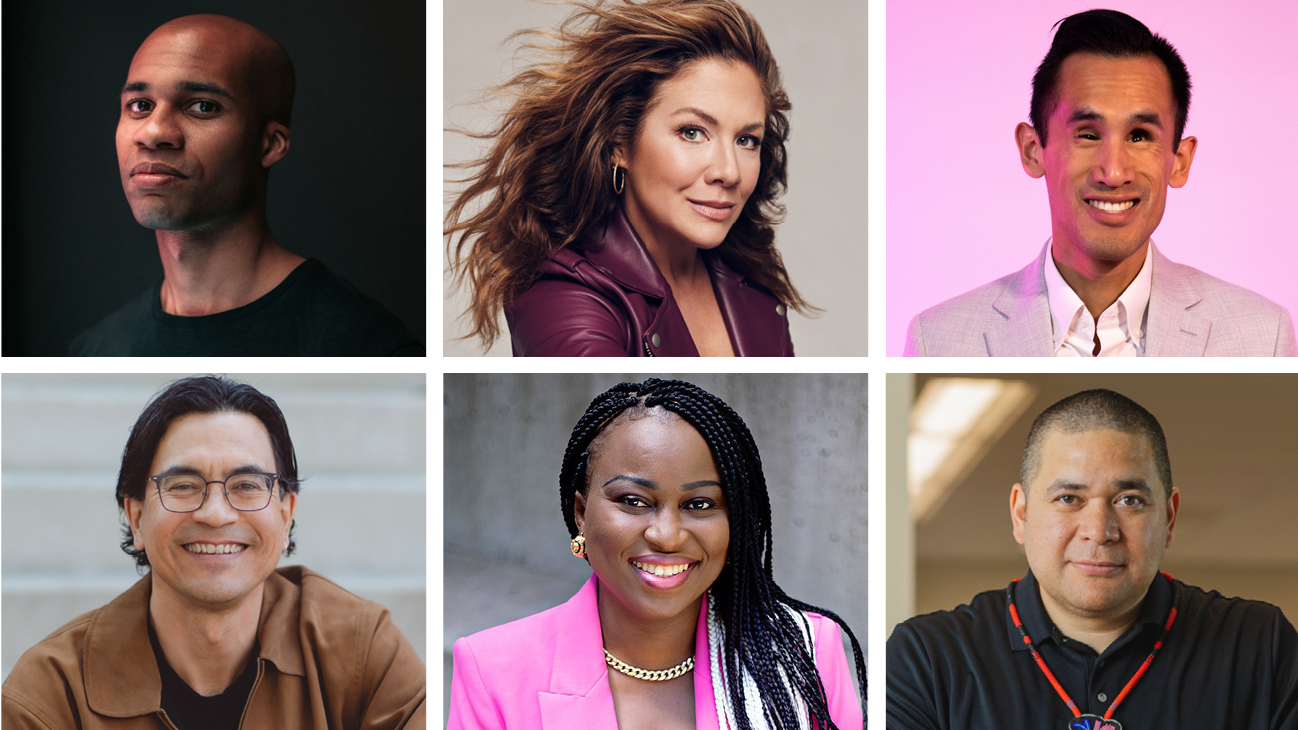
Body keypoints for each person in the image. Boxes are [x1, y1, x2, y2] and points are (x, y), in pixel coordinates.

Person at [1, 376, 426, 728]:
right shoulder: (50, 692)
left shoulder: (364, 653)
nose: (216, 513)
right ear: (136, 517)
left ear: (285, 512)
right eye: (183, 486)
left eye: (246, 485)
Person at [448, 379, 864, 728]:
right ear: (581, 514)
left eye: (700, 505)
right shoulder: (492, 669)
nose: (667, 535)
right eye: (633, 500)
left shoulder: (803, 650)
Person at [887, 389, 1298, 729]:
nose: (1099, 530)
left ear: (1169, 517)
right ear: (1021, 513)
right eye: (1069, 498)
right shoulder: (929, 657)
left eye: (1129, 500)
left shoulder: (1262, 646)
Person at [904, 9, 1296, 357]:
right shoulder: (937, 341)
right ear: (1032, 149)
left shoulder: (1263, 337)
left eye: (1140, 135)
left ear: (1179, 161)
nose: (1113, 172)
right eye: (1088, 135)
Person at [445, 0, 811, 357]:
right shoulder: (563, 291)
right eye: (692, 132)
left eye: (747, 140)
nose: (729, 172)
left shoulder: (753, 280)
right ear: (619, 143)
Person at [70, 14, 423, 356]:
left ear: (270, 144)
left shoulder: (367, 348)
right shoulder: (95, 352)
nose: (154, 131)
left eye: (203, 106)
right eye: (140, 105)